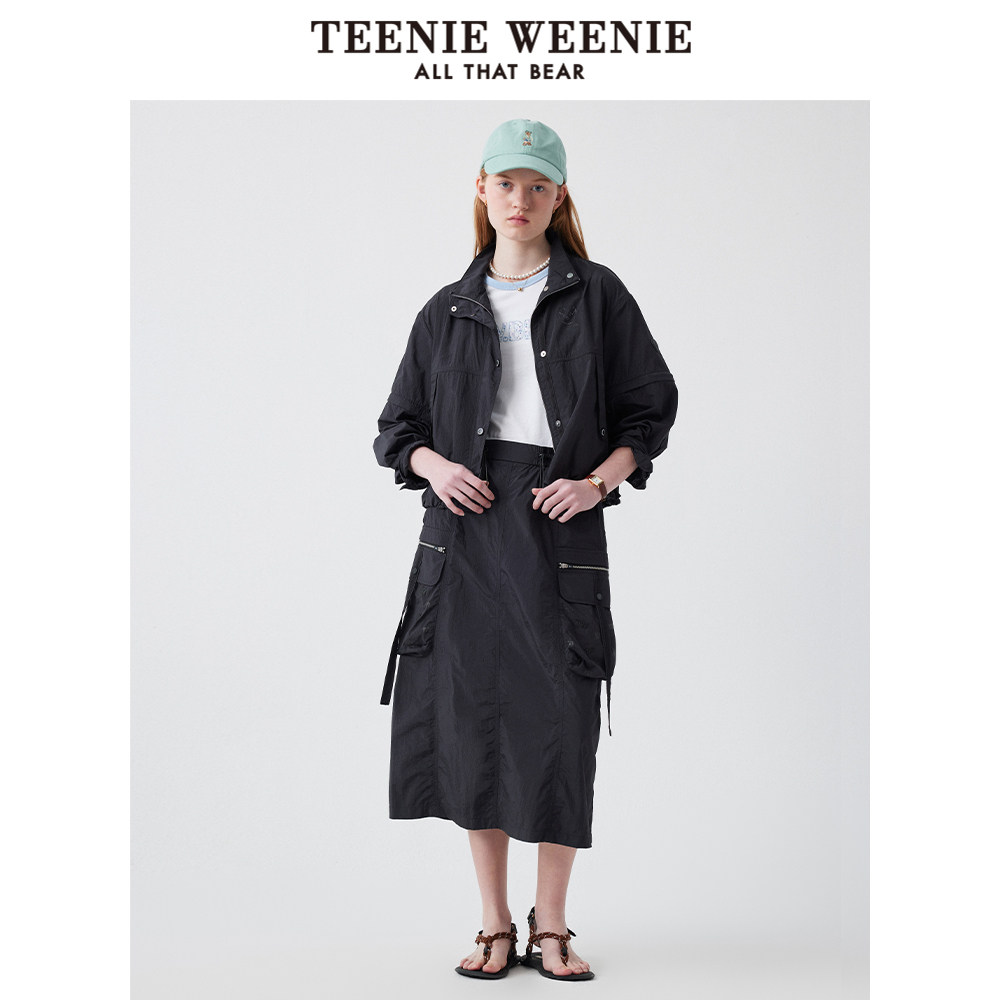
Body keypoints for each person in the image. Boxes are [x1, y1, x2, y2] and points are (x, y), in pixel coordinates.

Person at [373, 118, 678, 980]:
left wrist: (597, 482)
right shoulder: (447, 308)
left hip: (558, 528)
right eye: (506, 183)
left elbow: (650, 409)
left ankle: (554, 923)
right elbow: (396, 428)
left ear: (559, 196)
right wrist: (434, 466)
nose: (521, 199)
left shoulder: (599, 295)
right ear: (481, 189)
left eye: (538, 185)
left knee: (558, 725)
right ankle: (494, 922)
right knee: (471, 721)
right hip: (464, 535)